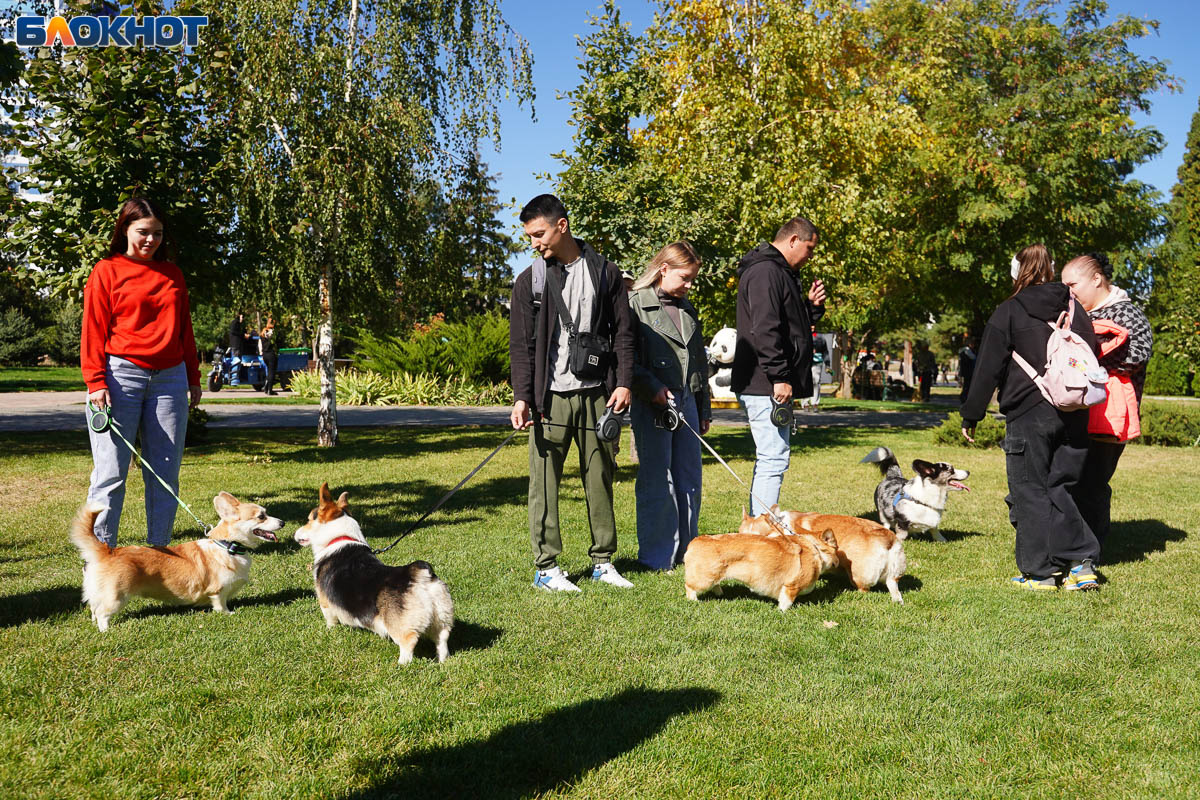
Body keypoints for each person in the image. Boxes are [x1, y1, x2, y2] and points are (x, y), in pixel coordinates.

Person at [508, 194, 636, 592]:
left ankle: (603, 561)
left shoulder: (606, 272)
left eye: (539, 233)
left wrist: (625, 382)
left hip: (598, 393)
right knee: (544, 482)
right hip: (550, 398)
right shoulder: (530, 280)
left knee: (599, 475)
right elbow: (522, 346)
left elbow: (625, 333)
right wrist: (523, 397)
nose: (535, 243)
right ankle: (546, 568)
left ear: (561, 225)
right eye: (529, 236)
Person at [960, 243, 1101, 591]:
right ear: (1051, 271)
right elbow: (1091, 354)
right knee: (1063, 488)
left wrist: (971, 414)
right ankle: (1081, 566)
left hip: (1028, 412)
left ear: (1015, 272)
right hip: (1073, 411)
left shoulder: (1008, 311)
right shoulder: (1075, 307)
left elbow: (987, 369)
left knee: (1030, 491)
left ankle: (1039, 573)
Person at [81, 198, 202, 548]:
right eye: (143, 232)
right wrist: (95, 381)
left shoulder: (172, 274)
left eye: (158, 234)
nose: (151, 240)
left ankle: (159, 553)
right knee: (110, 474)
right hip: (120, 377)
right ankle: (98, 558)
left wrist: (193, 377)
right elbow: (93, 330)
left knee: (164, 474)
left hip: (170, 379)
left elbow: (185, 331)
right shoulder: (106, 270)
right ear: (124, 230)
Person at [731, 215, 826, 515]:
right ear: (793, 240)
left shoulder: (778, 272)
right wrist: (779, 376)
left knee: (774, 457)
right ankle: (762, 531)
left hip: (770, 381)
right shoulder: (765, 273)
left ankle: (762, 527)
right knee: (773, 457)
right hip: (765, 383)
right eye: (809, 248)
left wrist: (810, 309)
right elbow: (765, 329)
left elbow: (787, 328)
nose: (810, 256)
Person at [1061, 252, 1152, 559]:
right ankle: (1077, 545)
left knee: (1093, 482)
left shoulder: (1128, 313)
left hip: (1111, 416)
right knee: (1076, 481)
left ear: (1096, 279)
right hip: (1079, 412)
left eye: (1073, 285)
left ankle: (1092, 550)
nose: (1069, 293)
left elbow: (1136, 356)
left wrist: (1086, 360)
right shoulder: (1079, 312)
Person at [628, 241, 711, 570]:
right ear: (663, 269)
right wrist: (652, 388)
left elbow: (699, 363)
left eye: (692, 279)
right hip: (653, 404)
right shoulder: (634, 305)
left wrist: (703, 408)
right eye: (685, 278)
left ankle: (688, 552)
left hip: (687, 400)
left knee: (689, 477)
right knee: (657, 480)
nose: (689, 285)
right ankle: (657, 558)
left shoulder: (687, 308)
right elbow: (626, 359)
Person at [801, 329, 828, 410]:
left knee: (816, 382)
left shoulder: (819, 336)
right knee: (805, 381)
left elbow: (825, 351)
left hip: (817, 362)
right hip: (805, 362)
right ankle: (805, 403)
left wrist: (827, 364)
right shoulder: (803, 333)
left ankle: (815, 403)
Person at [228, 312, 251, 386]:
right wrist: (243, 335)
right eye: (242, 317)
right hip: (236, 345)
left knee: (238, 360)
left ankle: (237, 376)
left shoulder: (239, 324)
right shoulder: (235, 323)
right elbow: (234, 332)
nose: (243, 319)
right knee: (236, 360)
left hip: (237, 345)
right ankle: (234, 378)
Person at [259, 318, 279, 395]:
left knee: (269, 372)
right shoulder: (271, 332)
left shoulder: (263, 333)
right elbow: (275, 341)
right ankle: (269, 390)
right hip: (271, 354)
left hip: (265, 355)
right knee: (272, 372)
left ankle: (267, 387)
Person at [957, 337, 977, 403]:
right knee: (967, 385)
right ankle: (964, 397)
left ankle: (964, 397)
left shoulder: (963, 350)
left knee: (967, 385)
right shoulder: (966, 350)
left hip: (966, 371)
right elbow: (973, 357)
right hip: (968, 371)